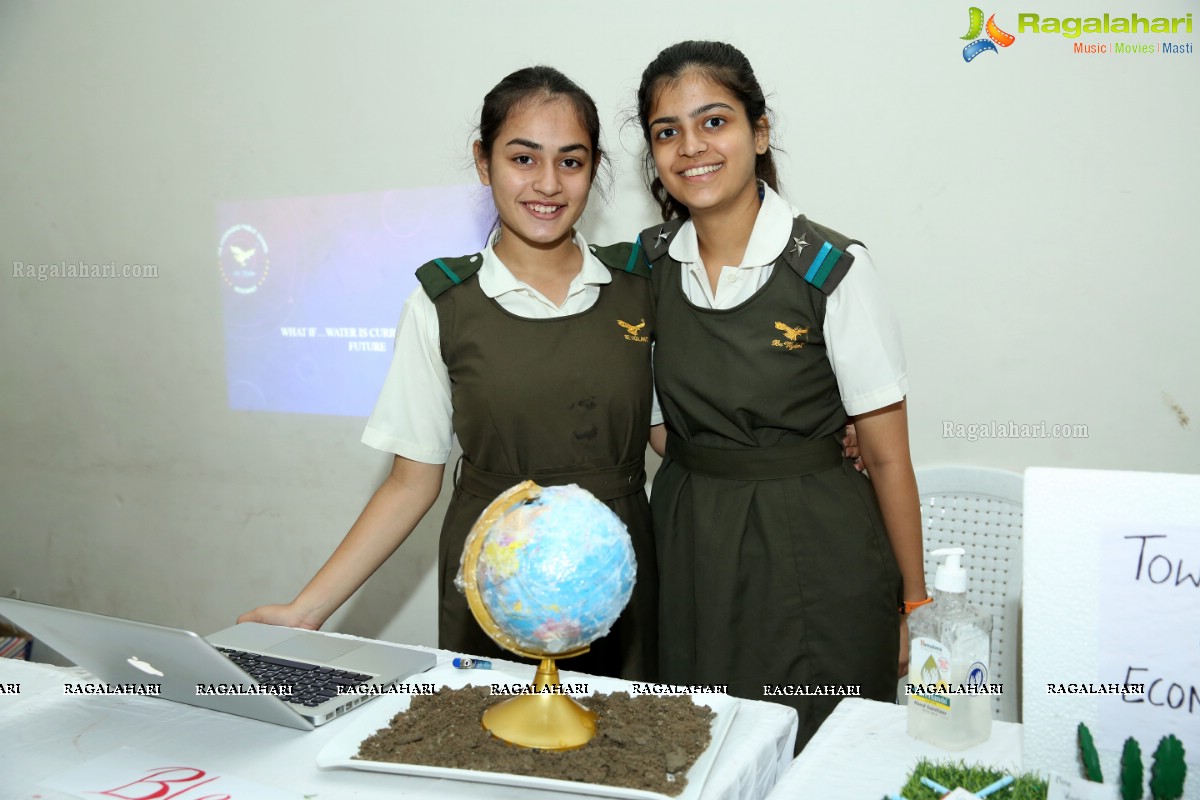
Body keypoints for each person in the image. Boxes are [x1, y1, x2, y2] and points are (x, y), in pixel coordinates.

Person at [240, 66, 658, 681]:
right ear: (483, 163)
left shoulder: (638, 287)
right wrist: (307, 611)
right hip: (492, 580)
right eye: (523, 158)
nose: (547, 183)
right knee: (486, 756)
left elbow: (679, 437)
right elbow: (410, 483)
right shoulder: (442, 302)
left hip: (616, 573)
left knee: (623, 755)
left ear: (594, 169)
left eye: (571, 162)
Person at [634, 41, 928, 751]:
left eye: (714, 122)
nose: (691, 147)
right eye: (667, 131)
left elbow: (888, 459)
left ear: (759, 132)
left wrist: (914, 606)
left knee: (819, 749)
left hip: (816, 549)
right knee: (694, 748)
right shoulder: (644, 269)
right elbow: (659, 424)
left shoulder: (832, 270)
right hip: (688, 546)